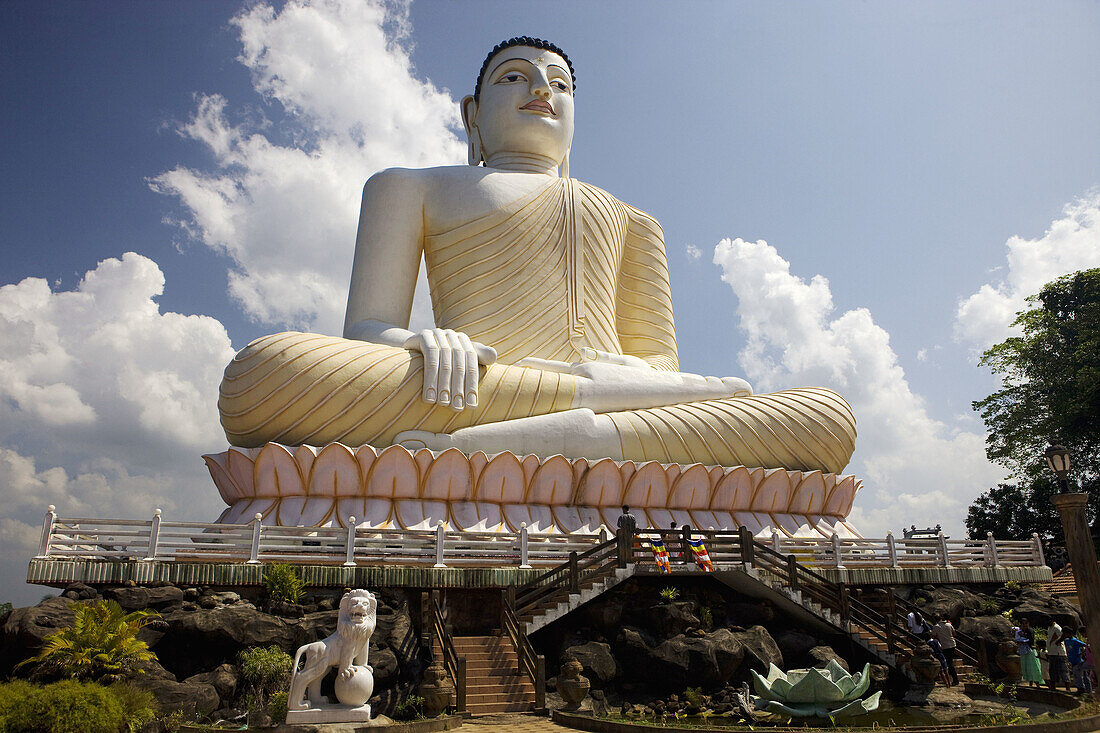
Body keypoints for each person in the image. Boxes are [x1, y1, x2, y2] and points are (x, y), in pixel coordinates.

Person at [218, 37, 857, 477]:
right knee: (264, 376)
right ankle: (570, 429)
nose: (540, 90)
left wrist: (624, 385)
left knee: (827, 420)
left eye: (559, 84)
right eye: (515, 77)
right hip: (467, 388)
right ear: (472, 114)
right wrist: (424, 343)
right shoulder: (410, 186)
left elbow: (660, 368)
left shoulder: (632, 219)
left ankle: (544, 439)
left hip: (610, 398)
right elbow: (365, 331)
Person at [1014, 618, 1043, 687]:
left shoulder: (1030, 630)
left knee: (1033, 667)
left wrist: (1023, 640)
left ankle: (1037, 683)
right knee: (1026, 667)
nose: (1024, 625)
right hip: (1023, 651)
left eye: (1025, 623)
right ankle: (1030, 683)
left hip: (1030, 650)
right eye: (1022, 624)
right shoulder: (1019, 631)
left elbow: (1031, 641)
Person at [932, 616, 959, 686]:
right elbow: (954, 634)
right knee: (949, 662)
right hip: (952, 644)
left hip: (944, 646)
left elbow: (933, 636)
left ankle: (954, 679)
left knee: (948, 663)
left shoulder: (936, 627)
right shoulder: (949, 625)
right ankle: (951, 679)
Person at [1064, 627, 1091, 694]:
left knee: (1083, 675)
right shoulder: (1066, 641)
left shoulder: (1075, 641)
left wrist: (1083, 653)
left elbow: (1084, 645)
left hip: (1078, 661)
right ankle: (1082, 688)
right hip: (1072, 660)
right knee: (1077, 675)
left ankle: (1086, 690)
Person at [1047, 620, 1068, 690]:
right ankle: (1053, 687)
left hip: (1059, 653)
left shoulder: (1057, 627)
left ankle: (1067, 688)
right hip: (1052, 652)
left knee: (1063, 670)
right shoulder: (1049, 628)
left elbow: (1063, 635)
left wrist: (1058, 642)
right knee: (1052, 671)